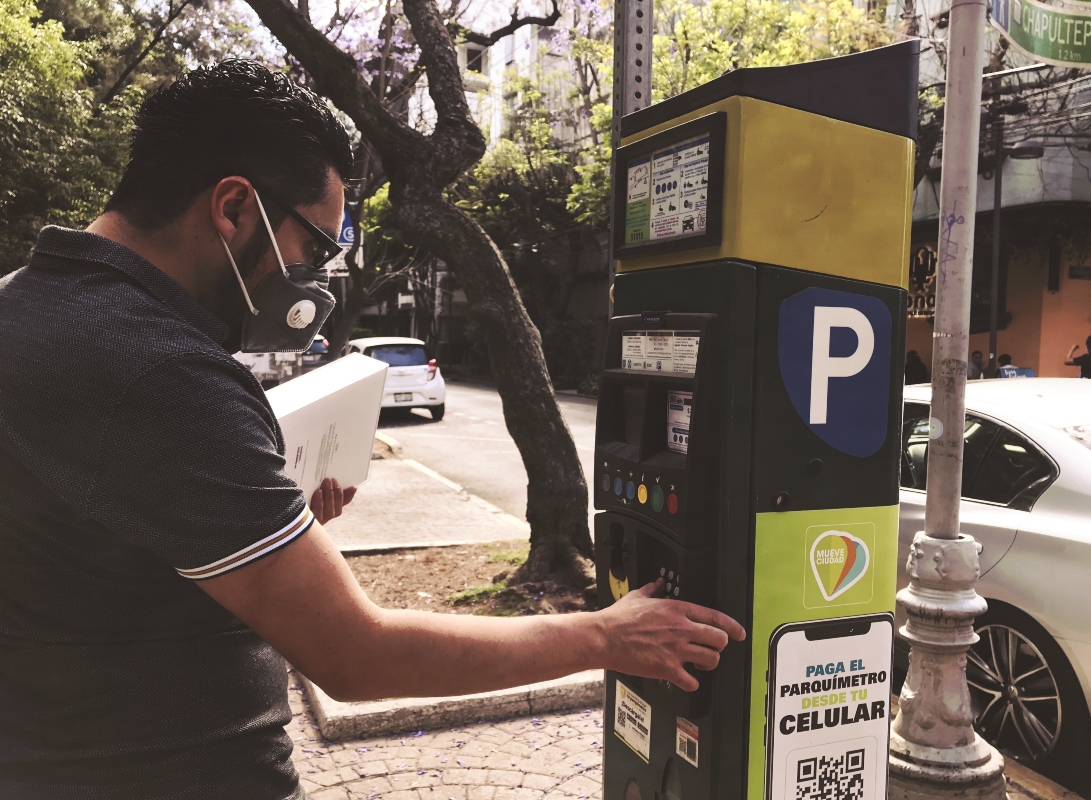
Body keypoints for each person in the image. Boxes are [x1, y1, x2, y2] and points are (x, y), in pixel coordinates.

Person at [0, 62, 744, 799]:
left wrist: (264, 519)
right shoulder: (156, 368)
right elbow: (358, 657)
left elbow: (85, 542)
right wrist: (607, 637)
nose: (316, 280)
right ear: (232, 208)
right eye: (317, 249)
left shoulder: (27, 308)